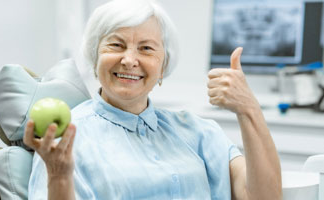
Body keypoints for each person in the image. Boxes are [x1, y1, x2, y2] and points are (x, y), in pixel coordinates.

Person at [24, 0, 282, 199]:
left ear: (163, 65)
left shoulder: (199, 133)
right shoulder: (66, 141)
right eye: (116, 45)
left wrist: (248, 108)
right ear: (95, 56)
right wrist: (58, 176)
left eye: (146, 48)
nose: (129, 60)